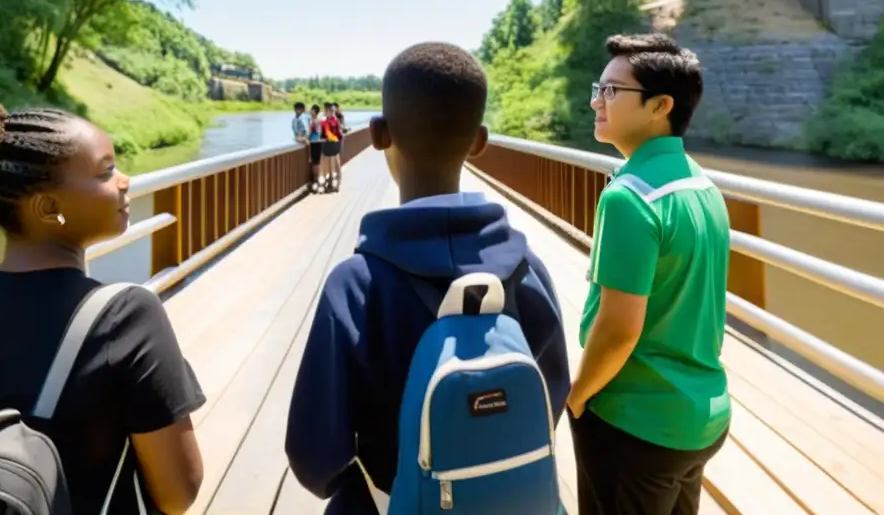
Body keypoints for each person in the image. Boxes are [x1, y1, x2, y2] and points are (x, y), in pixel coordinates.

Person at [285, 42, 570, 514]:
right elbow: (552, 397)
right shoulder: (527, 268)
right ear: (479, 142)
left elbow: (315, 456)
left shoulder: (356, 285)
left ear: (378, 135)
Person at [0, 93, 205, 514]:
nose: (124, 180)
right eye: (106, 172)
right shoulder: (126, 315)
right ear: (49, 208)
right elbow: (179, 493)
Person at [567, 33, 731, 515]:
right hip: (701, 418)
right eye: (599, 88)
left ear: (661, 105)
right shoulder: (702, 186)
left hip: (635, 422)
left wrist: (578, 397)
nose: (598, 101)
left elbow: (619, 329)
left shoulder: (629, 198)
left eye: (613, 91)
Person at [320, 102, 344, 192]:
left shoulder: (336, 121)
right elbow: (321, 134)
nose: (325, 112)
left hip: (334, 146)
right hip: (326, 146)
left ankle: (336, 185)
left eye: (327, 110)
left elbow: (339, 134)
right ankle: (328, 184)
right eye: (325, 110)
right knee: (327, 167)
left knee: (335, 166)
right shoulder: (323, 122)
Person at [308, 103, 326, 193]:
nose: (310, 111)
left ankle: (316, 181)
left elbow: (317, 133)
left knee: (316, 162)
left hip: (316, 143)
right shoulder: (313, 120)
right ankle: (316, 181)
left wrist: (308, 138)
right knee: (315, 162)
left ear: (315, 111)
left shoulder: (316, 121)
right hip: (314, 143)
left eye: (311, 110)